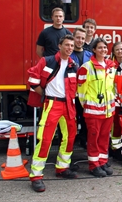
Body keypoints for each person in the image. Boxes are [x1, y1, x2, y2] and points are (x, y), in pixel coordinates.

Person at [27, 35, 78, 192]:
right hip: (52, 103)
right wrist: (42, 94)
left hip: (68, 105)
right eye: (67, 45)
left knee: (70, 137)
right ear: (60, 45)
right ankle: (36, 176)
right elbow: (32, 78)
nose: (69, 48)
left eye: (72, 45)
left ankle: (62, 168)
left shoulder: (73, 65)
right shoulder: (47, 61)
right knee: (45, 139)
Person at [77, 38, 116, 177]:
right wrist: (88, 105)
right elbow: (81, 92)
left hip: (108, 111)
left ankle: (102, 161)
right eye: (100, 48)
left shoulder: (111, 67)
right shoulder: (86, 67)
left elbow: (113, 88)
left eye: (105, 48)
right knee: (93, 138)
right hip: (93, 111)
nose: (103, 50)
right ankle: (94, 165)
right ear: (93, 50)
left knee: (105, 138)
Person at [70, 27, 93, 149]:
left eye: (82, 38)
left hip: (85, 95)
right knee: (70, 121)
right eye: (78, 37)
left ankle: (84, 141)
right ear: (73, 38)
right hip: (71, 94)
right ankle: (69, 144)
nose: (80, 40)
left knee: (86, 120)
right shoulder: (68, 54)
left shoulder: (90, 56)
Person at [109, 42, 122, 158]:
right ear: (114, 52)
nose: (120, 51)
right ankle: (115, 149)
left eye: (121, 49)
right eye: (117, 50)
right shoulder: (110, 65)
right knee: (115, 126)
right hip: (114, 99)